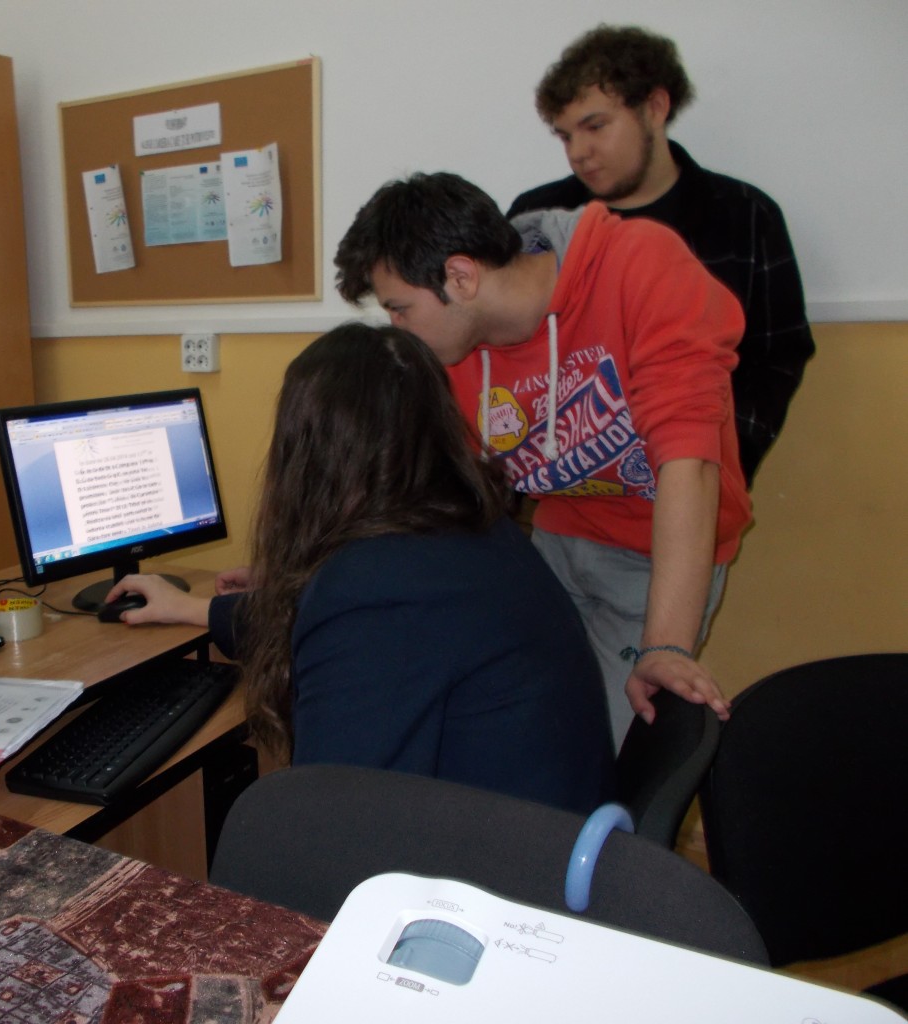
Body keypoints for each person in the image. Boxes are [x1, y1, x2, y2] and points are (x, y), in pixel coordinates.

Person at [108, 322, 616, 815]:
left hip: (496, 862)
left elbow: (337, 818)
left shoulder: (375, 586)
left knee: (250, 823)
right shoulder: (469, 530)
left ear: (311, 453)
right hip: (549, 833)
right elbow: (347, 629)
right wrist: (198, 610)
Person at [334, 172, 752, 748]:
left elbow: (690, 460)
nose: (397, 327)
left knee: (600, 750)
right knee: (507, 728)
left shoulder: (640, 264)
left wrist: (664, 647)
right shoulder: (453, 349)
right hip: (556, 547)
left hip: (655, 556)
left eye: (400, 308)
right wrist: (312, 561)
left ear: (461, 276)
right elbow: (410, 482)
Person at [507, 24, 815, 485]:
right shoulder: (537, 219)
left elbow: (777, 356)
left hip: (696, 472)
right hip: (568, 488)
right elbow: (506, 349)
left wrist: (721, 455)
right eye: (565, 136)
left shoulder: (746, 216)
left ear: (655, 107)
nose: (579, 152)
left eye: (595, 126)